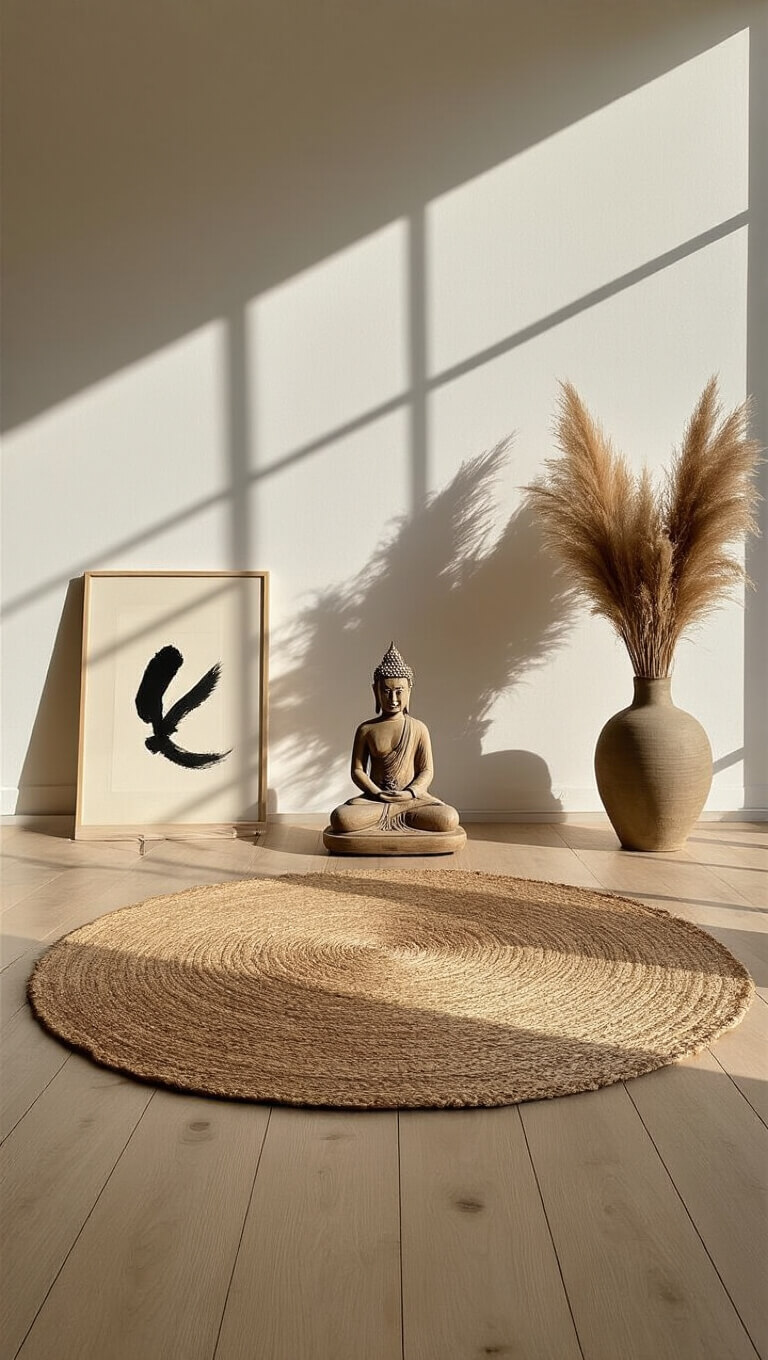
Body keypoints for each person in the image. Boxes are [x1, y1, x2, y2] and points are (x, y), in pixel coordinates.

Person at [329, 643, 461, 834]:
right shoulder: (366, 729)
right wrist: (378, 793)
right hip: (375, 800)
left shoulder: (418, 728)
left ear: (409, 691)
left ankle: (394, 815)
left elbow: (427, 771)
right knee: (341, 818)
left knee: (448, 818)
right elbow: (358, 771)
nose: (393, 698)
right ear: (376, 691)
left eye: (399, 691)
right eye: (386, 691)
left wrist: (410, 793)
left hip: (412, 801)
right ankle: (393, 816)